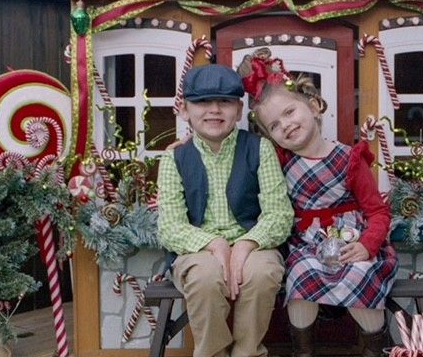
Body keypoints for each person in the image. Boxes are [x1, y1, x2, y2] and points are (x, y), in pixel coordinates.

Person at [238, 50, 398, 357]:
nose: (285, 125)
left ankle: (373, 348)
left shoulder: (349, 158)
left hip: (351, 242)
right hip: (306, 245)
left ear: (312, 106)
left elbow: (377, 210)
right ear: (270, 137)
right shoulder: (279, 161)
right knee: (301, 275)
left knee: (361, 273)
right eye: (273, 125)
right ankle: (303, 351)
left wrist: (368, 244)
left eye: (289, 112)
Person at [157, 64, 294, 357]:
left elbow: (279, 214)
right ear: (185, 108)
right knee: (205, 277)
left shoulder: (260, 149)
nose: (214, 110)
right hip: (197, 251)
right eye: (203, 102)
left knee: (262, 273)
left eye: (225, 102)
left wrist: (245, 245)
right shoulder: (174, 159)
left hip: (255, 244)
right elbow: (169, 226)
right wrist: (213, 244)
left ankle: (247, 352)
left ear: (240, 109)